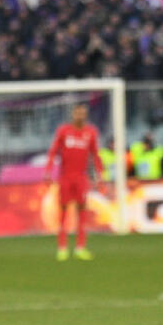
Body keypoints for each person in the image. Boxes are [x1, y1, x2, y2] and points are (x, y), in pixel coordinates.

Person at [44, 102, 102, 262]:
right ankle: (62, 247)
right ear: (73, 114)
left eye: (83, 113)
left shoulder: (91, 132)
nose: (80, 116)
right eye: (78, 113)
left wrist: (99, 173)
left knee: (82, 212)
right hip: (65, 178)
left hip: (81, 178)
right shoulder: (64, 131)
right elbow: (53, 151)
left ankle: (80, 247)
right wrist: (48, 170)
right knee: (63, 212)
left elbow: (95, 154)